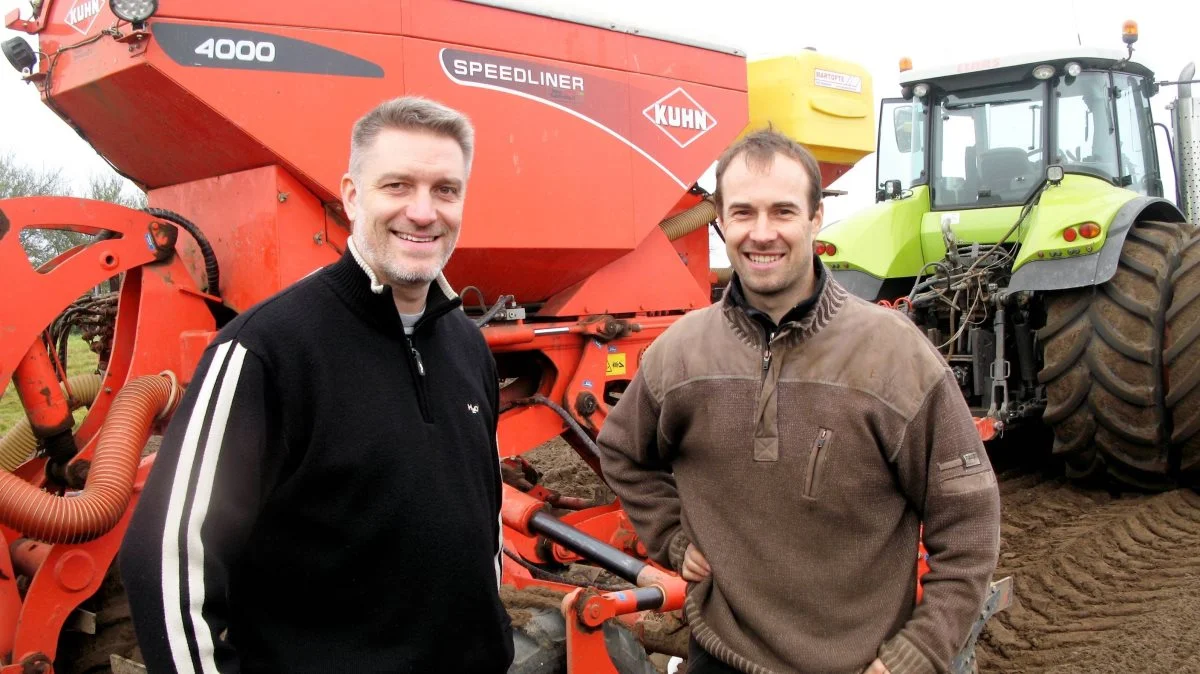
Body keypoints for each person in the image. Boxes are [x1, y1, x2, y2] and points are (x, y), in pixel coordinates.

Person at [119, 96, 514, 673]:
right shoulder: (266, 350)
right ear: (353, 195)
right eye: (398, 186)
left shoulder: (467, 345)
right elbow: (166, 562)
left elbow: (485, 514)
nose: (424, 212)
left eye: (446, 190)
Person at [595, 129, 1001, 674]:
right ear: (720, 221)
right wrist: (672, 536)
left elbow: (968, 520)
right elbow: (621, 451)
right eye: (743, 213)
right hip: (721, 655)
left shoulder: (895, 354)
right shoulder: (681, 353)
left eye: (783, 211)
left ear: (815, 219)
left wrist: (918, 652)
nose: (761, 233)